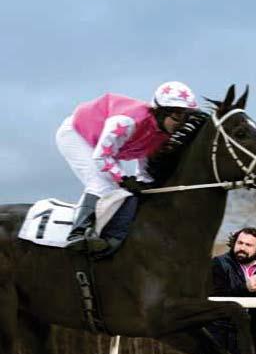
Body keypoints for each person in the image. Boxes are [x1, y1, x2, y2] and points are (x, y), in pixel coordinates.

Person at [55, 81, 198, 251]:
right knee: (102, 184)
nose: (181, 124)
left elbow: (145, 162)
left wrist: (143, 182)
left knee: (123, 191)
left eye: (186, 117)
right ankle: (77, 234)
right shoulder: (126, 121)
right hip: (76, 134)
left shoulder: (162, 134)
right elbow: (101, 157)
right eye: (177, 117)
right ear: (161, 112)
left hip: (102, 146)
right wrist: (124, 179)